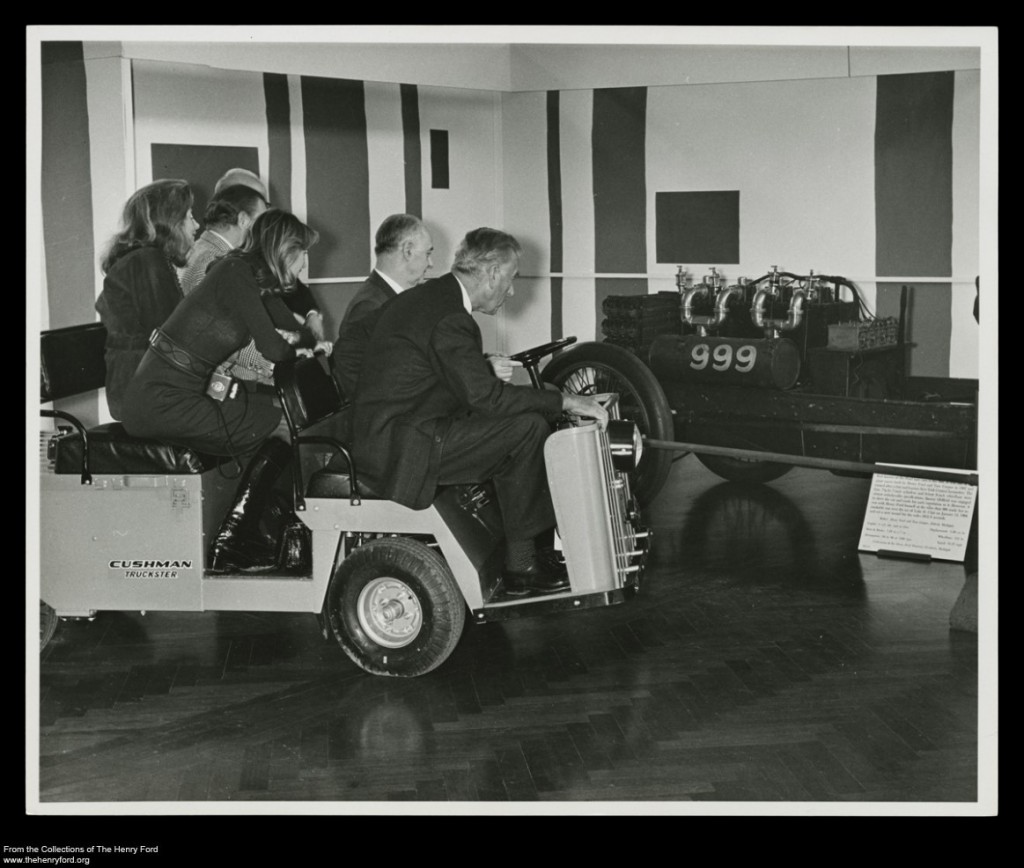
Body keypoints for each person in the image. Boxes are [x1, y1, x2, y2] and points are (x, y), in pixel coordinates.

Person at [350, 227, 608, 594]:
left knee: (523, 421)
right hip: (405, 446)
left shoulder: (434, 298)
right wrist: (566, 400)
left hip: (398, 429)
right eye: (511, 278)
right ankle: (523, 565)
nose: (513, 289)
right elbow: (487, 399)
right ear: (490, 274)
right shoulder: (451, 316)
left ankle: (526, 549)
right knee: (528, 429)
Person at [120, 209, 325, 571]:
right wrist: (302, 344)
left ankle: (262, 534)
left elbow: (293, 328)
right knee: (281, 425)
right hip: (160, 400)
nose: (306, 262)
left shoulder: (251, 277)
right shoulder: (234, 274)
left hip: (181, 395)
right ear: (282, 250)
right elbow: (273, 349)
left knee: (279, 419)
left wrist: (311, 335)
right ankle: (230, 543)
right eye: (302, 253)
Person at [331, 214, 518, 401]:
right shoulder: (370, 305)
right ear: (408, 251)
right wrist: (483, 370)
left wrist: (478, 365)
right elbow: (373, 383)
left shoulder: (395, 299)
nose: (431, 264)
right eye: (428, 253)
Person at [95, 179, 199, 419]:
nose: (196, 225)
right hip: (147, 395)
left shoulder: (144, 260)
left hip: (140, 389)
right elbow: (170, 336)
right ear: (170, 223)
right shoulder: (147, 262)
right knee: (269, 423)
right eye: (189, 216)